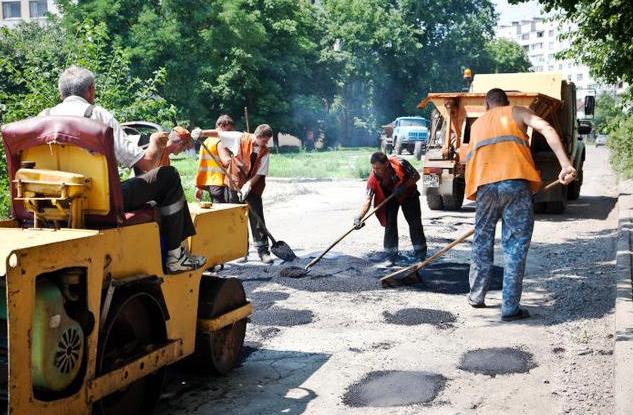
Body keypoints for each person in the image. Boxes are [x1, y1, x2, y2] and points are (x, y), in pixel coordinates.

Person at [41, 65, 204, 274]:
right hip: (100, 201)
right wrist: (155, 142)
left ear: (61, 93)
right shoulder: (98, 116)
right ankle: (176, 256)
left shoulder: (43, 117)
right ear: (91, 90)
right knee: (168, 176)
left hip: (54, 203)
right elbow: (144, 164)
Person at [465, 88, 576, 321]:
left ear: (487, 105)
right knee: (514, 246)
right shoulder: (517, 112)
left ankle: (476, 296)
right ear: (507, 102)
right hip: (515, 183)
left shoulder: (476, 125)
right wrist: (565, 164)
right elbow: (546, 128)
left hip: (484, 186)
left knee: (482, 241)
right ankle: (509, 308)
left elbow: (470, 159)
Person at [192, 124, 275, 264]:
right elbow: (219, 134)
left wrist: (248, 185)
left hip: (253, 187)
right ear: (258, 136)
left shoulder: (265, 151)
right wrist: (201, 133)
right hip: (235, 183)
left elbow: (260, 173)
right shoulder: (239, 138)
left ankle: (263, 251)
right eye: (265, 141)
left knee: (257, 218)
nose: (266, 144)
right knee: (237, 217)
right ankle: (242, 251)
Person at [354, 152, 427, 265]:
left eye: (379, 168)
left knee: (415, 223)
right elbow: (368, 199)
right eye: (374, 168)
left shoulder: (401, 163)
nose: (376, 171)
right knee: (390, 226)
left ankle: (420, 255)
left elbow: (416, 175)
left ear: (387, 164)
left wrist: (404, 186)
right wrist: (359, 217)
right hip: (390, 197)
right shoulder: (373, 178)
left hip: (409, 194)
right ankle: (391, 256)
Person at [194, 115, 235, 203]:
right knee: (222, 213)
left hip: (209, 182)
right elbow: (226, 162)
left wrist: (198, 187)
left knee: (216, 211)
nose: (230, 134)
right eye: (229, 130)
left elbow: (201, 164)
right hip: (220, 182)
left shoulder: (206, 141)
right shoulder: (220, 141)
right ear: (221, 125)